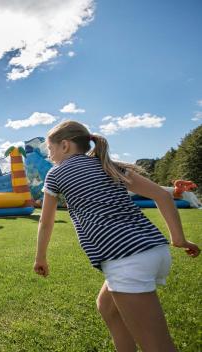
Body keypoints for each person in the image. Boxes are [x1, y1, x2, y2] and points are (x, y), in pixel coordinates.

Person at [33, 120, 199, 352]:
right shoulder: (107, 165)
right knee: (107, 307)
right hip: (154, 250)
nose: (50, 156)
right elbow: (162, 195)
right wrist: (179, 239)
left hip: (127, 260)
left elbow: (46, 221)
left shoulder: (56, 174)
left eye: (50, 150)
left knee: (158, 346)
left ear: (65, 146)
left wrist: (40, 257)